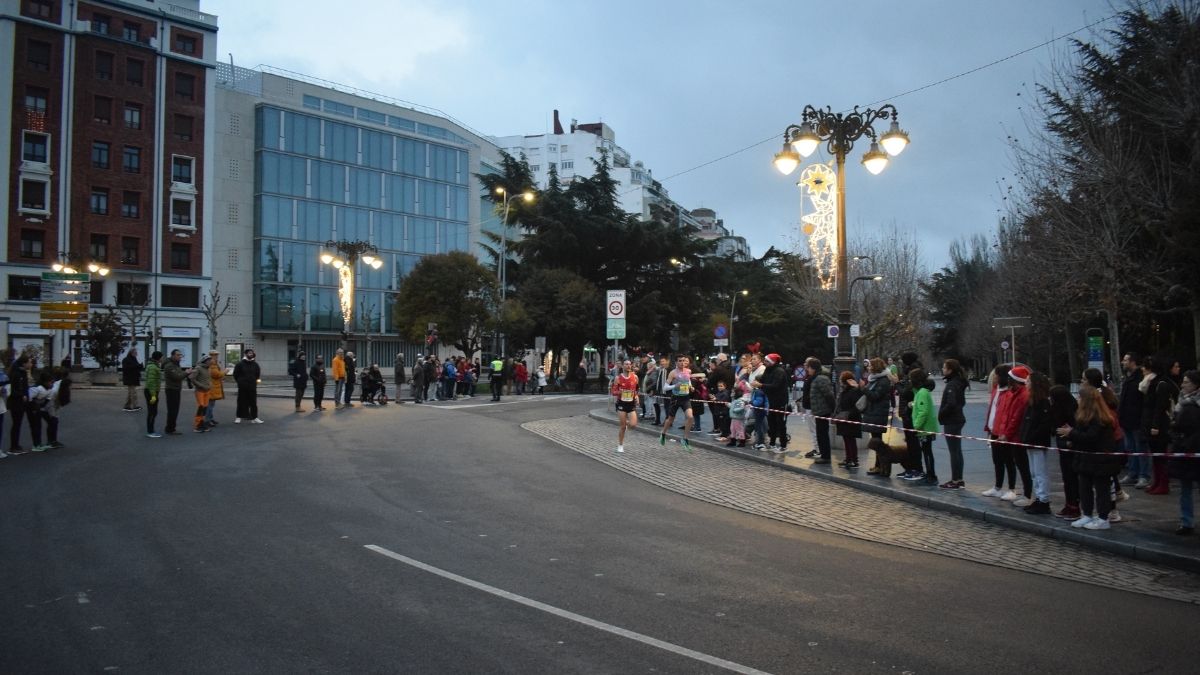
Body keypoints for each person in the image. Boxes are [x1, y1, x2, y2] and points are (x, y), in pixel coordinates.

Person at [1058, 384, 1123, 530]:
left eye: (1080, 397)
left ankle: (1103, 518)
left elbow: (1091, 437)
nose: (1078, 400)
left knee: (1102, 489)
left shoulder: (1100, 418)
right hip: (1085, 459)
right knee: (1084, 487)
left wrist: (1071, 433)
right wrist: (1072, 440)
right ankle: (1086, 514)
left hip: (1100, 460)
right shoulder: (1082, 417)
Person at [1168, 369, 1200, 535]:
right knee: (1185, 487)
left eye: (1186, 382)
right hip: (1184, 450)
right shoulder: (1181, 400)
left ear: (1195, 384)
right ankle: (1186, 521)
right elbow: (1176, 425)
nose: (1183, 385)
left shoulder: (1194, 404)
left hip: (1194, 448)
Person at [1018, 371, 1055, 514]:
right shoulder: (1032, 401)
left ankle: (1044, 500)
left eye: (1028, 381)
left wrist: (1031, 437)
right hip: (1030, 441)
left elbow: (1043, 425)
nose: (1025, 384)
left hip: (1037, 442)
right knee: (1034, 472)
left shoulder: (1043, 402)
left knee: (1040, 472)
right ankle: (1039, 497)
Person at [1143, 355, 1180, 495]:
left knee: (1160, 455)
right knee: (1156, 455)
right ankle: (1157, 481)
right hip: (1153, 422)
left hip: (1159, 425)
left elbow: (1160, 407)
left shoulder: (1162, 383)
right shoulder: (1156, 383)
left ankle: (1163, 483)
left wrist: (1155, 425)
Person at [1118, 353, 1149, 488]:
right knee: (1130, 448)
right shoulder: (1129, 378)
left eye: (1125, 360)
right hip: (1127, 420)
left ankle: (1143, 475)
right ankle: (1133, 473)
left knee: (1140, 448)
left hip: (1137, 419)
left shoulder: (1140, 378)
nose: (1123, 362)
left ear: (1133, 362)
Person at [1049, 385, 1080, 519]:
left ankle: (1074, 506)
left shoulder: (1072, 413)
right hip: (1063, 448)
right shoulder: (1057, 411)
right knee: (1067, 479)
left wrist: (1070, 439)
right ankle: (1069, 504)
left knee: (1073, 479)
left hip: (1071, 449)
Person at [937, 359, 968, 489]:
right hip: (957, 419)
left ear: (950, 370)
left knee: (954, 451)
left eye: (944, 368)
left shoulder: (952, 385)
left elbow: (951, 403)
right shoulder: (958, 383)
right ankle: (958, 478)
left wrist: (941, 414)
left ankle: (955, 479)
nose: (943, 370)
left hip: (952, 420)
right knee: (957, 451)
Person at [862, 358, 894, 476]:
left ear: (876, 367)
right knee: (876, 440)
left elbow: (875, 396)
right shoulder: (874, 379)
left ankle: (880, 466)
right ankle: (878, 465)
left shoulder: (883, 381)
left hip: (878, 413)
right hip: (873, 412)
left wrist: (863, 388)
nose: (868, 367)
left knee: (877, 441)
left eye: (870, 366)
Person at [659, 355, 696, 452]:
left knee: (690, 417)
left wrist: (691, 387)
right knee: (671, 419)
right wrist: (675, 386)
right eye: (680, 361)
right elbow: (665, 387)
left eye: (683, 361)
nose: (682, 363)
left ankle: (685, 439)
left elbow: (688, 381)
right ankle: (663, 434)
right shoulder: (673, 373)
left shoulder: (688, 371)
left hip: (686, 398)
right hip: (676, 398)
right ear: (676, 362)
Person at [910, 368, 940, 484]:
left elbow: (923, 411)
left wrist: (916, 426)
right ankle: (930, 473)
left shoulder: (922, 392)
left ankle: (931, 475)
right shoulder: (921, 392)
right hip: (925, 428)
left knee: (927, 452)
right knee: (927, 451)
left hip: (925, 429)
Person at [802, 357, 833, 462]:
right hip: (818, 410)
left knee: (822, 434)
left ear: (813, 368)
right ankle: (823, 454)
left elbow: (829, 395)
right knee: (820, 433)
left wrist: (832, 409)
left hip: (822, 410)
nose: (808, 369)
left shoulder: (820, 378)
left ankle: (825, 456)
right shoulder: (816, 377)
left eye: (809, 367)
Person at [834, 370, 863, 468]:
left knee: (850, 440)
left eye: (841, 380)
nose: (840, 382)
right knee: (846, 439)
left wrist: (848, 414)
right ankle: (848, 459)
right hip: (845, 418)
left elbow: (857, 406)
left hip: (850, 418)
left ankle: (854, 460)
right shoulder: (844, 391)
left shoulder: (854, 391)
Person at [27, 370, 62, 452]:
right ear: (45, 382)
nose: (52, 384)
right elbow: (29, 398)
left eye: (53, 382)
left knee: (38, 425)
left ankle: (39, 443)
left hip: (39, 408)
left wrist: (40, 407)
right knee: (35, 426)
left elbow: (46, 400)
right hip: (31, 408)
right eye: (50, 382)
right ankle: (36, 444)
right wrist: (35, 407)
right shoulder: (37, 389)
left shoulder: (49, 390)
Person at [612, 359, 640, 453]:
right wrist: (620, 392)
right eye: (626, 364)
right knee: (622, 427)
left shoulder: (635, 377)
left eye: (629, 364)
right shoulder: (618, 378)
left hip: (631, 403)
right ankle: (620, 445)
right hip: (621, 403)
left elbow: (636, 389)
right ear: (622, 366)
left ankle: (626, 424)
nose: (628, 366)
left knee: (633, 424)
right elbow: (613, 392)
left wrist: (636, 396)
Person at [6, 355, 32, 454]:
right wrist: (22, 395)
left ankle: (16, 445)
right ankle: (13, 446)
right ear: (24, 363)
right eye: (29, 362)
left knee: (18, 424)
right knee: (16, 424)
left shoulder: (22, 372)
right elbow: (12, 389)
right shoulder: (17, 373)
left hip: (20, 401)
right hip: (16, 402)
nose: (31, 364)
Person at [162, 349, 190, 435]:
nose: (180, 357)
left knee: (174, 410)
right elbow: (177, 377)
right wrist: (186, 373)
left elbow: (180, 374)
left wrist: (186, 373)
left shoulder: (176, 365)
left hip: (176, 389)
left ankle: (171, 427)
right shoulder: (169, 366)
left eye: (180, 355)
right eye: (178, 355)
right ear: (173, 355)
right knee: (172, 410)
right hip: (172, 390)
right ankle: (170, 429)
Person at [233, 349, 263, 423]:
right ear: (246, 354)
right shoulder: (240, 364)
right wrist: (240, 382)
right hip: (242, 387)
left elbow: (257, 375)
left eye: (252, 353)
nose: (251, 354)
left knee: (253, 402)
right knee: (241, 402)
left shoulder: (255, 364)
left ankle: (254, 417)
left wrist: (255, 382)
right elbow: (235, 375)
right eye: (249, 353)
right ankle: (239, 417)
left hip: (252, 387)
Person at [191, 354, 213, 432]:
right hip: (200, 390)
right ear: (205, 361)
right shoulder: (198, 368)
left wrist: (210, 384)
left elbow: (208, 378)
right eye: (209, 360)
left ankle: (202, 422)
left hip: (207, 390)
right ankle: (197, 425)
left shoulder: (208, 369)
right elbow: (192, 379)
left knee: (205, 407)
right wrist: (201, 385)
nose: (211, 361)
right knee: (201, 407)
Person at [144, 351, 163, 438]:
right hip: (151, 392)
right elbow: (151, 382)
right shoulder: (152, 367)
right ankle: (150, 431)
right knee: (152, 412)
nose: (162, 359)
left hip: (152, 391)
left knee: (153, 412)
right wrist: (153, 395)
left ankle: (151, 430)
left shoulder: (153, 365)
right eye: (161, 357)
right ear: (158, 358)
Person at [205, 351, 224, 427]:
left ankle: (210, 418)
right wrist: (224, 372)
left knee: (211, 404)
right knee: (210, 404)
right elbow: (216, 374)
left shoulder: (214, 363)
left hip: (213, 386)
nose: (216, 356)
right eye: (215, 355)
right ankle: (208, 420)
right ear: (211, 356)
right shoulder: (212, 364)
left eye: (217, 355)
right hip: (212, 386)